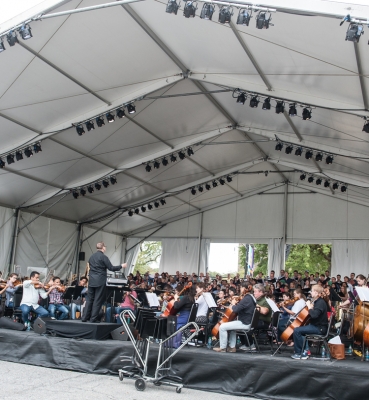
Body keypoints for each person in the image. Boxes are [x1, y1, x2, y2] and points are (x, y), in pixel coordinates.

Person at [82, 242, 127, 323]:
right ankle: (93, 319)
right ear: (103, 248)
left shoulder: (91, 257)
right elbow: (111, 268)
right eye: (105, 246)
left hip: (91, 280)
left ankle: (84, 317)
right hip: (100, 280)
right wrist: (121, 266)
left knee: (89, 299)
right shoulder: (103, 257)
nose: (105, 248)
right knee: (97, 300)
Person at [213, 281, 256, 353]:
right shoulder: (251, 297)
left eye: (241, 288)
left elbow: (235, 309)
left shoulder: (246, 299)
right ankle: (232, 348)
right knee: (232, 328)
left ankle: (223, 348)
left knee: (222, 327)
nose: (240, 290)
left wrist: (233, 304)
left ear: (244, 288)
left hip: (245, 323)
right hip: (248, 322)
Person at [291, 285, 328, 359]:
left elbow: (314, 315)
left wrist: (310, 307)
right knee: (300, 330)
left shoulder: (320, 302)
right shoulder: (317, 301)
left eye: (312, 291)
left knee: (297, 330)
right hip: (317, 326)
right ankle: (304, 351)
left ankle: (300, 353)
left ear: (317, 293)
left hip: (319, 328)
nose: (310, 292)